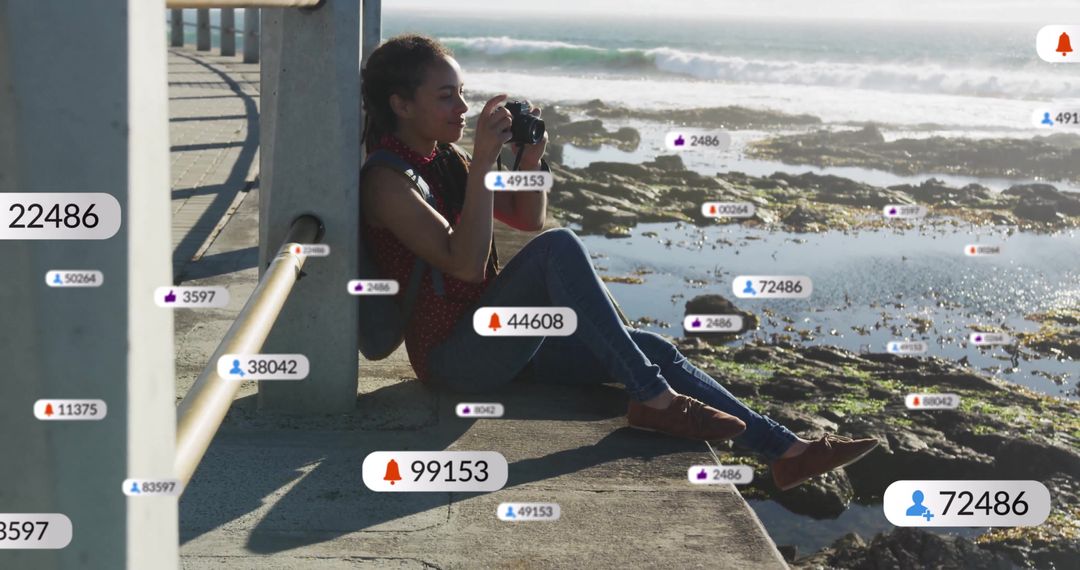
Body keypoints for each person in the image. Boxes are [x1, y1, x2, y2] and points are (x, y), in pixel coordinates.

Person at [359, 34, 877, 491]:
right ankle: (654, 401)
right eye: (446, 97)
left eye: (464, 94)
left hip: (498, 335)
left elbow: (525, 217)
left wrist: (530, 158)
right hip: (454, 358)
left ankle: (787, 453)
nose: (463, 108)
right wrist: (484, 166)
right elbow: (467, 265)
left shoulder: (442, 157)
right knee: (560, 250)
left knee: (648, 346)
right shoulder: (387, 181)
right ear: (401, 104)